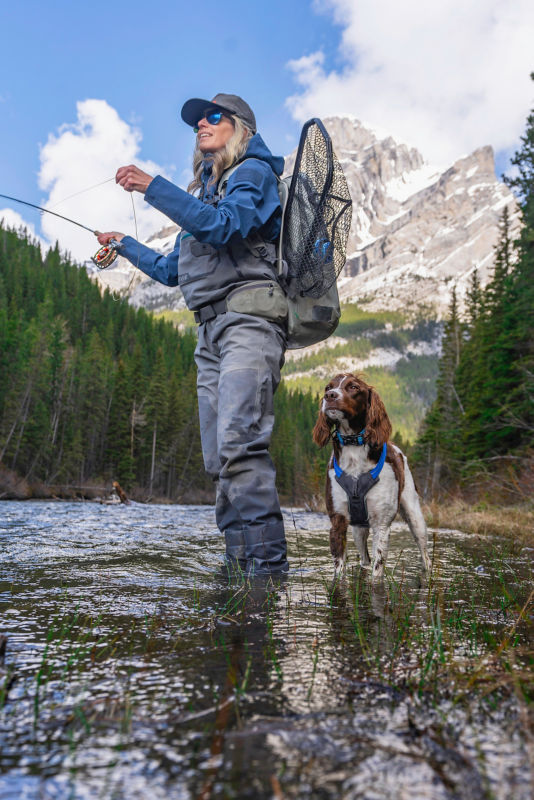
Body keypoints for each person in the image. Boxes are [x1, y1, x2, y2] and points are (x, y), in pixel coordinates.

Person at [97, 94, 289, 576]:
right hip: (210, 334)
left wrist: (151, 187)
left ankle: (266, 576)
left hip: (249, 320)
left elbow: (225, 228)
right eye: (197, 121)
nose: (201, 124)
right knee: (218, 458)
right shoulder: (206, 194)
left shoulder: (253, 174)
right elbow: (170, 270)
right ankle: (237, 569)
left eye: (213, 117)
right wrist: (123, 244)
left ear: (240, 126)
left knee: (239, 443)